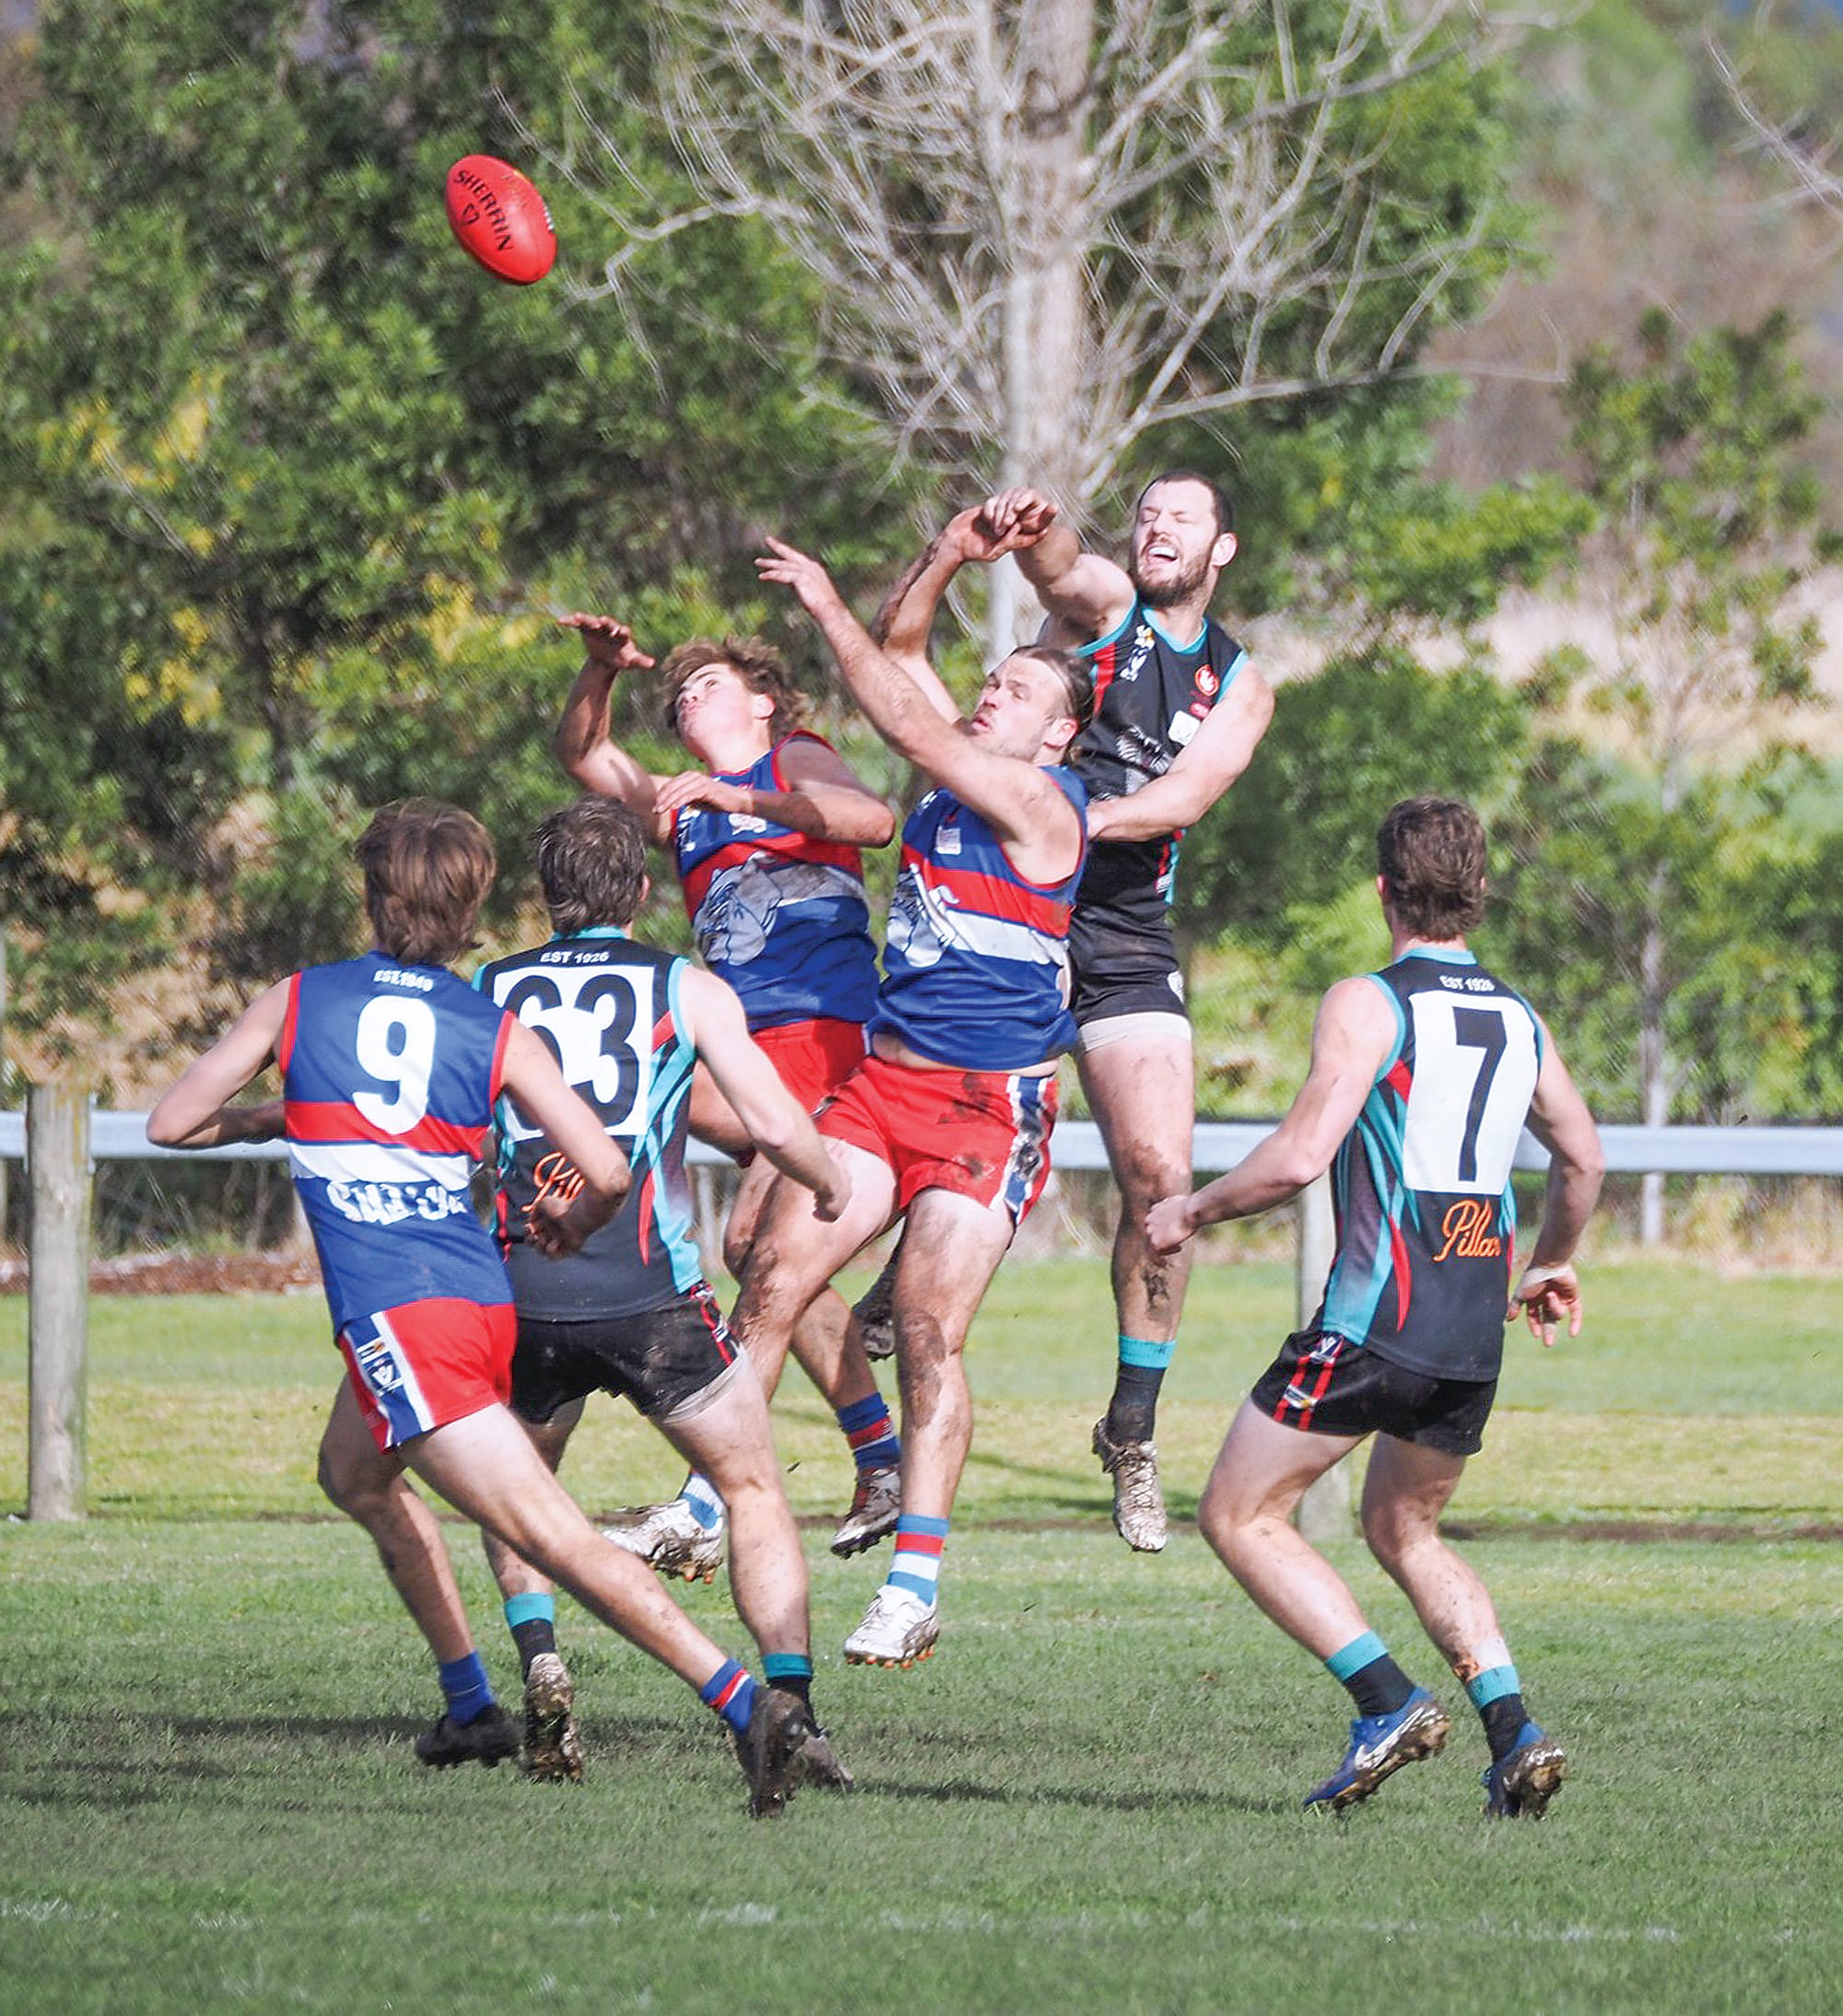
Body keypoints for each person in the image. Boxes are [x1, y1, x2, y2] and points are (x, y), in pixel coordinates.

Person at [147, 800, 828, 1817]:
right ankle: (471, 1705)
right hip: (486, 1297)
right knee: (351, 1472)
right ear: (471, 908)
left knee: (553, 1533)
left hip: (410, 1317)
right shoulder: (485, 1021)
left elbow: (171, 1122)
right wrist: (574, 1210)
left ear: (373, 896)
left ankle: (741, 1707)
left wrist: (285, 1114)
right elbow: (605, 1162)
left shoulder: (302, 999)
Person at [1145, 797, 1604, 1817]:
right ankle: (1511, 1729)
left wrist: (1192, 1209)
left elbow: (1301, 1155)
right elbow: (1579, 1158)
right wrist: (1548, 1263)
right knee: (1403, 1527)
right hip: (1464, 1330)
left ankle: (1384, 1699)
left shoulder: (1368, 999)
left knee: (1235, 1511)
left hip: (1371, 1319)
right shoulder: (1518, 1016)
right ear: (1476, 895)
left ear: (1382, 890)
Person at [741, 529, 1092, 1670]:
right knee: (773, 1276)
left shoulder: (1042, 803)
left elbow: (896, 709)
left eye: (1022, 686)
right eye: (990, 679)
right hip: (886, 1082)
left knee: (931, 1331)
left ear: (1062, 731)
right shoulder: (962, 754)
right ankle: (716, 1499)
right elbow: (904, 657)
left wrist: (823, 599)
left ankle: (914, 1584)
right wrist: (946, 553)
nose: (995, 693)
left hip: (990, 1108)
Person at [470, 793, 851, 1787]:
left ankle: (542, 1660)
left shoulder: (491, 983)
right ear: (640, 891)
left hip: (524, 1287)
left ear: (546, 894)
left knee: (519, 1499)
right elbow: (771, 1119)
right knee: (753, 1486)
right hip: (651, 1298)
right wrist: (827, 1181)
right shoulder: (684, 984)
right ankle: (794, 1710)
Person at [967, 474, 1275, 1553]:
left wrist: (1074, 818)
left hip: (1127, 931)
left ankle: (1132, 1428)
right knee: (954, 1128)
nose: (1157, 530)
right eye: (1147, 514)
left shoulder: (1239, 682)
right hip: (1020, 903)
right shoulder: (1107, 616)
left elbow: (1185, 797)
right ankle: (889, 1302)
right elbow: (1061, 570)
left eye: (1180, 519)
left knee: (1159, 1182)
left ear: (1220, 548)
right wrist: (1032, 527)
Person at [554, 621, 903, 1573]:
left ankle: (704, 1504)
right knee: (775, 1258)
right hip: (749, 1048)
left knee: (755, 1249)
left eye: (705, 684)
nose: (685, 703)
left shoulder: (791, 756)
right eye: (676, 701)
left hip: (819, 1028)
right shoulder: (683, 804)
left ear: (760, 698)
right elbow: (583, 750)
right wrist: (599, 668)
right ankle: (882, 1458)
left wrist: (744, 795)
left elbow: (871, 822)